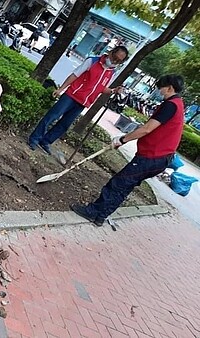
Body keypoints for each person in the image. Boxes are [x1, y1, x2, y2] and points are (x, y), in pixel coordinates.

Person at [71, 74, 185, 226]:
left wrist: (123, 139)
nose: (159, 91)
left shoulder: (170, 105)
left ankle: (93, 212)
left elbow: (147, 129)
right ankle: (100, 216)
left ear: (170, 88)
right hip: (159, 159)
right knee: (125, 186)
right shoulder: (177, 104)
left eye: (161, 88)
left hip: (152, 158)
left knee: (118, 183)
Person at [28, 46, 129, 155]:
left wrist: (113, 91)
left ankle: (46, 141)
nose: (114, 61)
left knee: (64, 125)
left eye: (119, 61)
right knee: (52, 117)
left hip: (83, 102)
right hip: (71, 95)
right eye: (115, 57)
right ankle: (34, 138)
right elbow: (75, 75)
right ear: (111, 52)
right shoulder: (92, 61)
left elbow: (102, 88)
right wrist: (61, 89)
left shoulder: (111, 73)